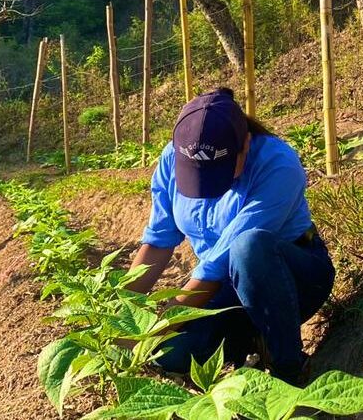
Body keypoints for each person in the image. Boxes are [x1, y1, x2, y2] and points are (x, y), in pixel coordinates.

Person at [126, 88, 335, 384]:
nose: (206, 185)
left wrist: (156, 328)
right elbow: (158, 241)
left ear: (245, 144)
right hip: (224, 290)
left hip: (290, 279)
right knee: (168, 353)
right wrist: (118, 318)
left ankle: (288, 369)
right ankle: (251, 343)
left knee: (248, 246)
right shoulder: (172, 157)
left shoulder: (278, 164)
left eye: (218, 172)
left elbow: (218, 265)